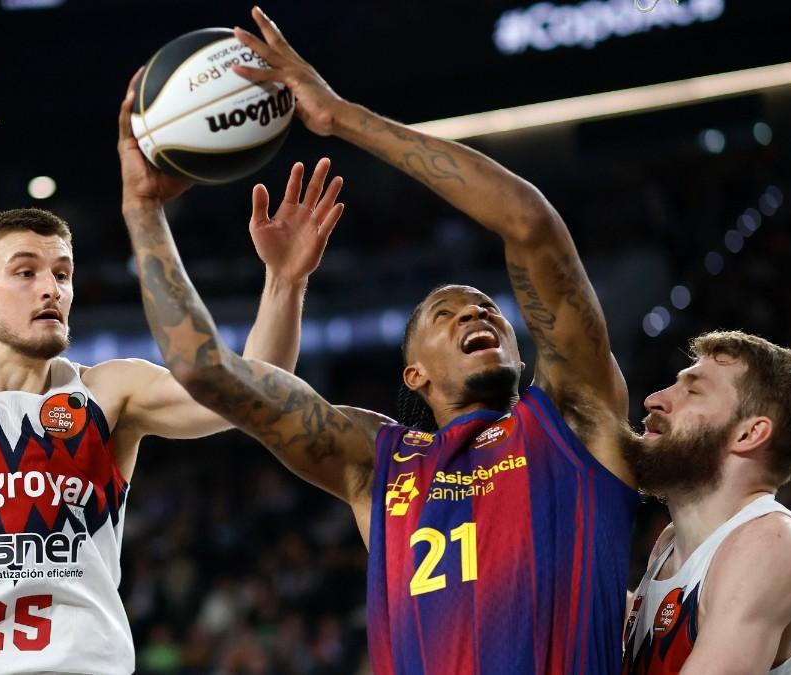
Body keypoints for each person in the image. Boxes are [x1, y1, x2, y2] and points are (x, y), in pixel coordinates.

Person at [117, 7, 642, 672]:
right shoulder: (379, 460)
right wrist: (144, 211)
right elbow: (203, 370)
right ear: (415, 373)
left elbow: (531, 225)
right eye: (445, 314)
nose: (474, 314)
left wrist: (340, 117)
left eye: (486, 308)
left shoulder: (572, 418)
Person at [0, 38, 334, 674]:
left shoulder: (111, 393)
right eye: (24, 272)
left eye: (62, 273)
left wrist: (284, 283)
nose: (51, 288)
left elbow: (255, 397)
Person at [621, 331, 791, 673]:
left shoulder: (773, 543)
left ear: (749, 434)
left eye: (693, 390)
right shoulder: (670, 545)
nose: (654, 400)